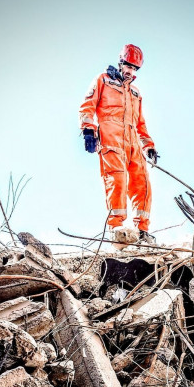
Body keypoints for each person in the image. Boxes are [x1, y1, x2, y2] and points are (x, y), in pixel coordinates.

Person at [79, 43, 159, 245]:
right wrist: (88, 129)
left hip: (133, 144)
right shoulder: (103, 80)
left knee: (143, 185)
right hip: (111, 139)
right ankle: (116, 227)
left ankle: (142, 230)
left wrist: (149, 145)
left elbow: (141, 123)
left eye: (134, 68)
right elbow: (87, 106)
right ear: (121, 62)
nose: (131, 71)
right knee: (118, 181)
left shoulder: (135, 93)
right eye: (128, 66)